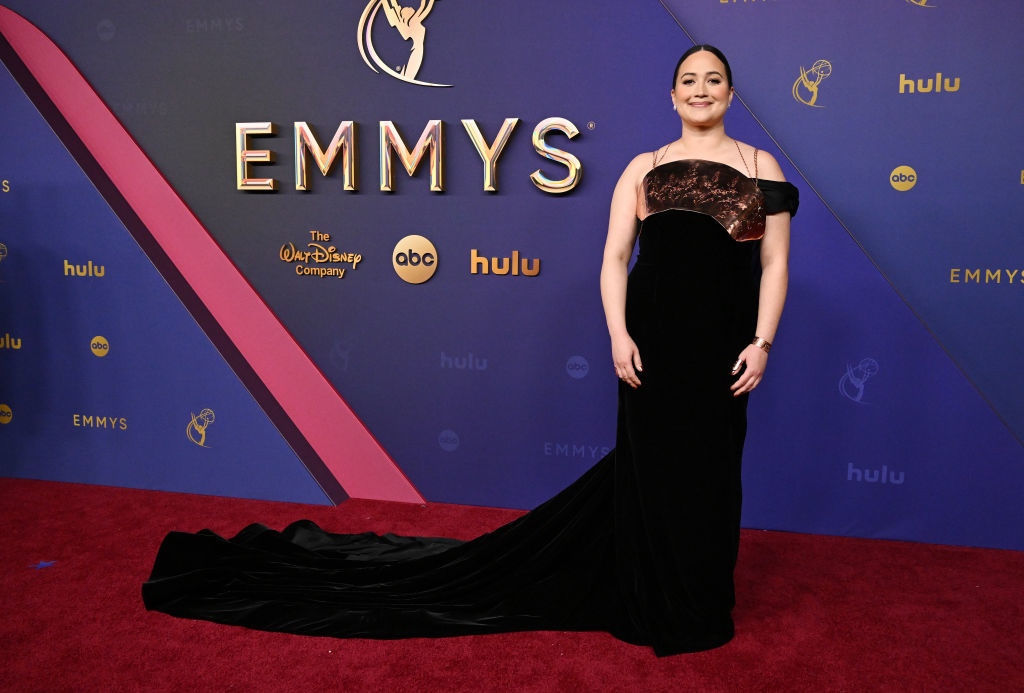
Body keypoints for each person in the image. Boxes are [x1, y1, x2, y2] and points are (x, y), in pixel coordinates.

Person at [142, 45, 798, 657]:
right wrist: (618, 335)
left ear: (731, 93)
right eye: (689, 80)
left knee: (711, 475)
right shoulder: (645, 167)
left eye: (713, 80)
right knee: (652, 477)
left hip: (721, 353)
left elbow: (773, 266)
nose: (701, 89)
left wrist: (762, 341)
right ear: (673, 94)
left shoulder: (760, 166)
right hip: (650, 348)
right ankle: (654, 601)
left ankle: (701, 603)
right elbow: (613, 260)